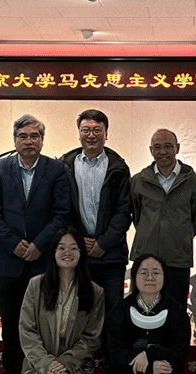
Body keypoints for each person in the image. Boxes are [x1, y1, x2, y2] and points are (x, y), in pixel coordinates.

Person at [0, 114, 71, 374]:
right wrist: (14, 245)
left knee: (44, 324)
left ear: (42, 140)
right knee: (11, 325)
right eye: (23, 136)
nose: (29, 141)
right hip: (9, 261)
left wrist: (38, 244)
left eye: (35, 136)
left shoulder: (56, 169)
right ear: (15, 140)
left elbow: (61, 213)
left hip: (42, 260)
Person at [17, 228, 105, 374]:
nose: (68, 253)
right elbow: (27, 330)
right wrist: (46, 362)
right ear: (53, 252)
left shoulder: (94, 292)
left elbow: (92, 337)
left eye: (74, 248)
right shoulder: (36, 285)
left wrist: (65, 361)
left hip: (75, 366)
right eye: (62, 248)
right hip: (40, 365)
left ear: (82, 254)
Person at [102, 254, 191, 374]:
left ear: (164, 277)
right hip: (129, 372)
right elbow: (114, 349)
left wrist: (151, 354)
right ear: (134, 277)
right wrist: (145, 363)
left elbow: (179, 348)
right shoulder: (121, 310)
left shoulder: (176, 311)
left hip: (162, 371)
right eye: (144, 273)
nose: (150, 277)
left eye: (156, 272)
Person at [60, 109, 132, 323]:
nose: (91, 135)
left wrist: (103, 243)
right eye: (86, 130)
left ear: (106, 133)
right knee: (77, 316)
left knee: (112, 316)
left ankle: (110, 349)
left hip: (111, 256)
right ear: (79, 133)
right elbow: (62, 209)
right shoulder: (65, 166)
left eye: (97, 130)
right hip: (76, 255)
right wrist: (77, 240)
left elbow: (124, 211)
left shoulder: (119, 167)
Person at [129, 129, 196, 306]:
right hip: (145, 257)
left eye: (168, 146)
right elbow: (136, 215)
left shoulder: (194, 181)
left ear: (177, 148)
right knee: (143, 308)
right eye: (157, 147)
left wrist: (181, 235)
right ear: (151, 150)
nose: (163, 152)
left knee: (176, 309)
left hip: (178, 259)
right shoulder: (138, 181)